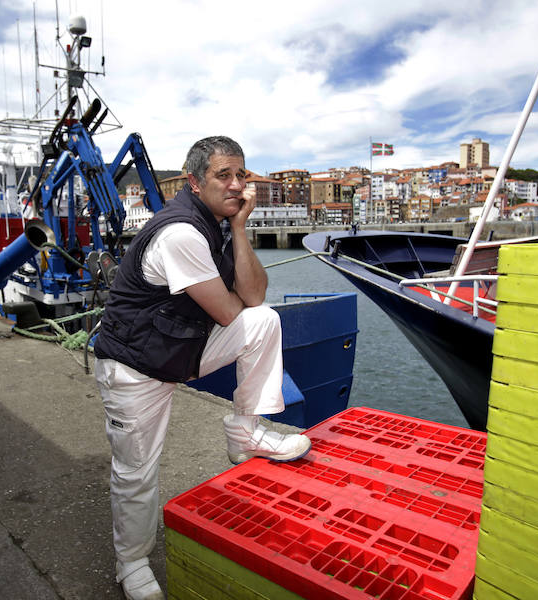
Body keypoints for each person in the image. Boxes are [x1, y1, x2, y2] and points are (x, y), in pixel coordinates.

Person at [92, 136, 311, 600]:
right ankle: (130, 562)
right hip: (134, 368)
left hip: (177, 351)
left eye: (241, 176)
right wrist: (231, 286)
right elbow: (229, 313)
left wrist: (240, 228)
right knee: (136, 472)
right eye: (223, 176)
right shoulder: (182, 233)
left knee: (264, 322)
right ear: (193, 182)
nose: (236, 185)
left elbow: (253, 301)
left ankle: (245, 431)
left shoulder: (218, 224)